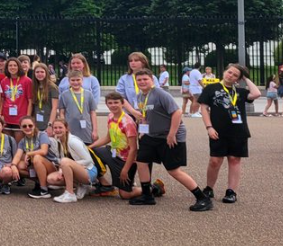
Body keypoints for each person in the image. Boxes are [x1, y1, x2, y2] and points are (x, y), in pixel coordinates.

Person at [129, 68, 212, 211]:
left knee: (173, 170)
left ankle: (202, 197)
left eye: (145, 79)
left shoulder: (160, 94)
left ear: (152, 80)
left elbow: (177, 112)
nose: (142, 82)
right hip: (152, 135)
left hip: (169, 135)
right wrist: (143, 130)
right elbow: (144, 115)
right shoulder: (140, 96)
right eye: (139, 80)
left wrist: (172, 134)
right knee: (141, 161)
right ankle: (147, 195)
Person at [199, 63, 260, 204]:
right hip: (218, 131)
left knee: (234, 160)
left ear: (238, 79)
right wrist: (209, 127)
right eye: (229, 72)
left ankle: (231, 191)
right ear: (225, 71)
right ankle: (209, 188)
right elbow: (204, 108)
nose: (230, 75)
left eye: (235, 75)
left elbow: (256, 93)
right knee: (215, 160)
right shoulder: (211, 88)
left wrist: (245, 78)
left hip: (238, 132)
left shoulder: (240, 91)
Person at [89, 93, 146, 201]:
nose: (113, 105)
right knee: (91, 152)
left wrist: (125, 170)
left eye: (116, 102)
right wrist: (90, 147)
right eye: (110, 103)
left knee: (125, 195)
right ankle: (104, 185)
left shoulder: (128, 122)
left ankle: (151, 188)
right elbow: (108, 138)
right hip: (114, 153)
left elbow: (133, 149)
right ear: (106, 104)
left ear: (122, 104)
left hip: (125, 160)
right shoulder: (110, 116)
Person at [45, 120, 94, 203]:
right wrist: (61, 171)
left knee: (64, 161)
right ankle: (80, 185)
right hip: (74, 169)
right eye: (55, 128)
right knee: (51, 179)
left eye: (60, 127)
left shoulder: (73, 141)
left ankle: (70, 194)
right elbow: (63, 162)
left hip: (88, 171)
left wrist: (69, 164)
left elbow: (88, 160)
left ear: (67, 128)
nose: (57, 130)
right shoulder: (59, 141)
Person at [116, 52, 158, 120]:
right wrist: (134, 112)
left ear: (143, 62)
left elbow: (156, 95)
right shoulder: (124, 79)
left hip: (149, 113)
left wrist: (145, 111)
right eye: (130, 61)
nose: (132, 63)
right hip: (129, 114)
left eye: (136, 60)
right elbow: (121, 97)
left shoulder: (152, 78)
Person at [62, 70, 97, 144]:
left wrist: (95, 130)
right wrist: (64, 127)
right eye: (73, 80)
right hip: (70, 128)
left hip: (86, 129)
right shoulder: (64, 95)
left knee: (87, 149)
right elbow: (62, 113)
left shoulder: (88, 94)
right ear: (69, 81)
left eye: (78, 80)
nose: (75, 82)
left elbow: (93, 113)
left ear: (82, 80)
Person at [30, 63, 59, 133]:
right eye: (37, 72)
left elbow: (54, 107)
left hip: (48, 122)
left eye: (42, 72)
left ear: (46, 73)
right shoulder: (33, 87)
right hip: (36, 123)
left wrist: (50, 124)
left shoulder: (52, 87)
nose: (39, 74)